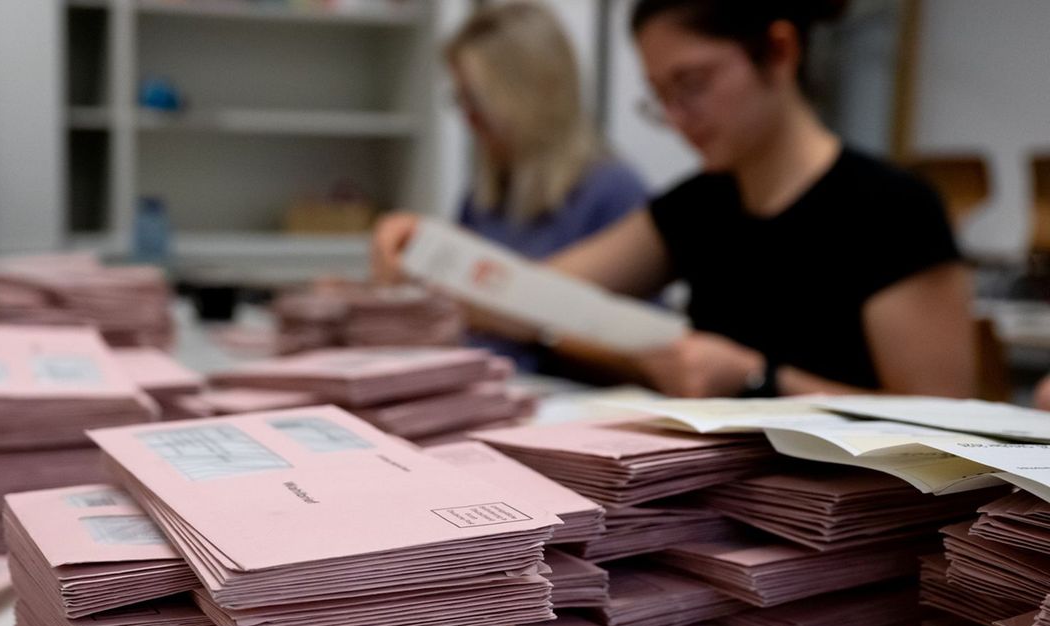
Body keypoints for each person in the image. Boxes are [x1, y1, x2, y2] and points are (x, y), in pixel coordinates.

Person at [374, 0, 976, 398]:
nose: (677, 118)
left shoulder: (894, 209)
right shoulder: (698, 207)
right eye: (659, 97)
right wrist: (425, 251)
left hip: (858, 531)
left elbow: (946, 433)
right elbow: (530, 299)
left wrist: (760, 379)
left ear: (780, 52)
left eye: (692, 85)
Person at [443, 1, 650, 372]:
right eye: (461, 100)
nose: (469, 119)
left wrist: (517, 321)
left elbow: (645, 345)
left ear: (531, 94)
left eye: (477, 100)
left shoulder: (613, 192)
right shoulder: (485, 195)